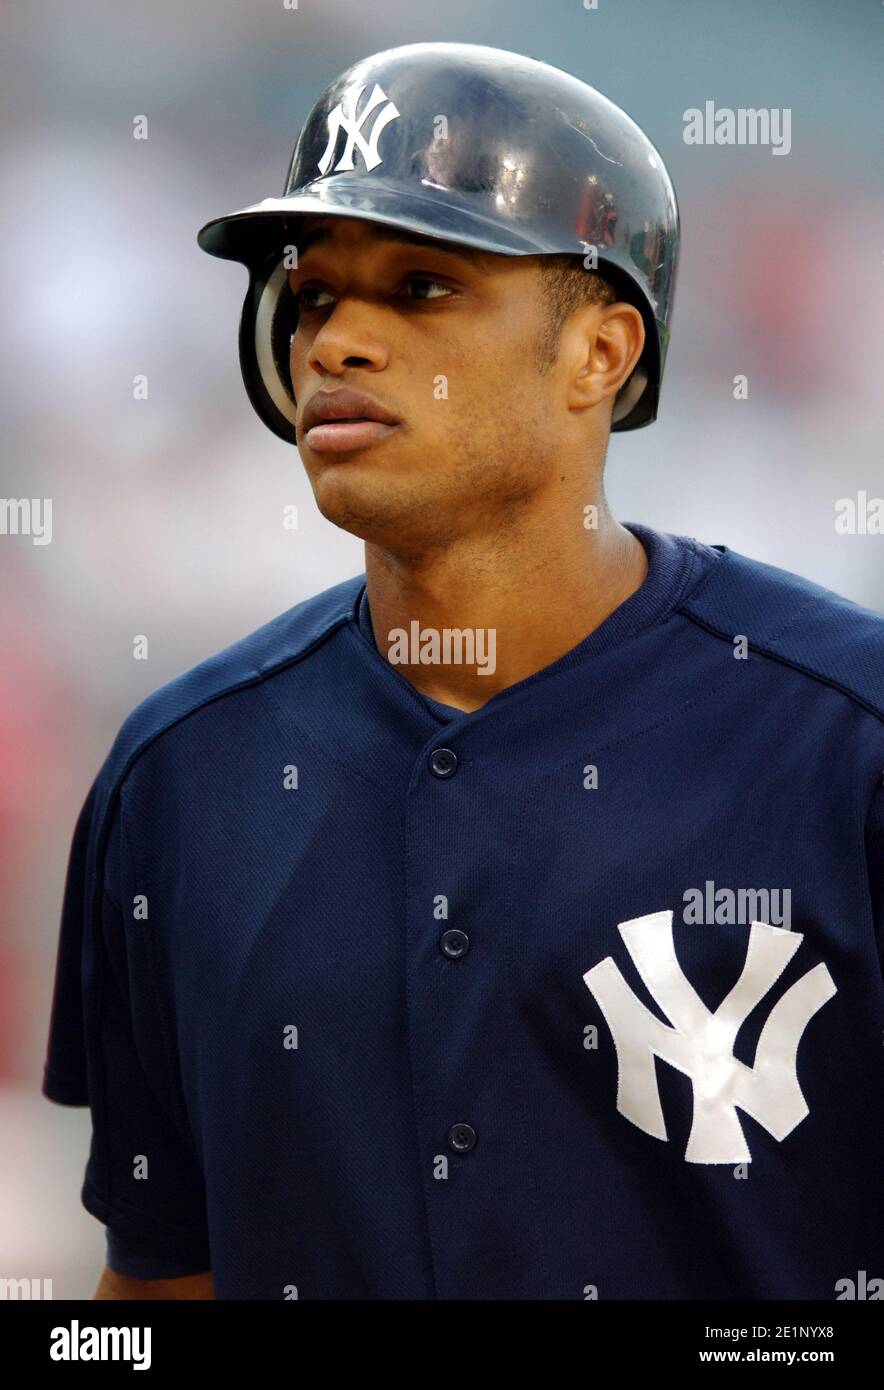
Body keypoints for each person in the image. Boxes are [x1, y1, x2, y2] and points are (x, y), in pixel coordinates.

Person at [43, 42, 883, 1301]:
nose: (340, 342)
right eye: (313, 295)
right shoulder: (180, 774)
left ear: (598, 353)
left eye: (422, 284)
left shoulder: (842, 737)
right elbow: (162, 1283)